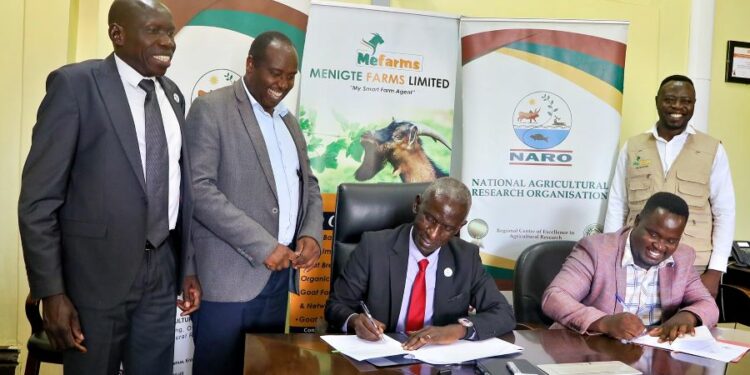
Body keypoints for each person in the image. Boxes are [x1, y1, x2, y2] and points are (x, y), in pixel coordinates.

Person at [18, 1, 201, 373]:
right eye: (154, 31)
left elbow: (180, 190)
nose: (168, 42)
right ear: (117, 34)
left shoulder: (174, 95)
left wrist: (187, 267)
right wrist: (51, 292)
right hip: (94, 279)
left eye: (170, 32)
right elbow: (38, 201)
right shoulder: (75, 86)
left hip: (162, 269)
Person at [185, 31, 323, 375]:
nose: (283, 84)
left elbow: (310, 184)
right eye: (276, 73)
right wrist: (263, 245)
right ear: (250, 64)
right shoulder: (211, 109)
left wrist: (310, 233)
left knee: (267, 371)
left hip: (278, 281)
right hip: (229, 282)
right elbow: (199, 191)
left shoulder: (288, 120)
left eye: (291, 76)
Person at [325, 177, 515, 350]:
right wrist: (354, 320)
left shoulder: (466, 257)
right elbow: (336, 305)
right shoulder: (374, 247)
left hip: (438, 362)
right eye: (430, 219)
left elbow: (504, 314)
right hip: (381, 355)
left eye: (447, 228)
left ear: (459, 227)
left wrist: (457, 330)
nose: (433, 234)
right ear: (417, 205)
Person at [603, 74, 735, 298]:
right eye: (670, 99)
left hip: (693, 268)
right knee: (632, 329)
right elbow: (617, 204)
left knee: (687, 329)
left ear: (694, 104)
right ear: (657, 101)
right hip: (635, 262)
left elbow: (725, 212)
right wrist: (609, 258)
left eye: (686, 101)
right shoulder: (633, 146)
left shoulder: (712, 149)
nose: (677, 106)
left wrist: (715, 271)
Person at [543, 192, 719, 343]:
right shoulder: (596, 250)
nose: (660, 246)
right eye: (653, 234)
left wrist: (688, 316)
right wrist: (604, 322)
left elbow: (708, 304)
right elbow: (554, 297)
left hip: (652, 354)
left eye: (671, 241)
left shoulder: (683, 257)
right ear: (637, 221)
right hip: (592, 349)